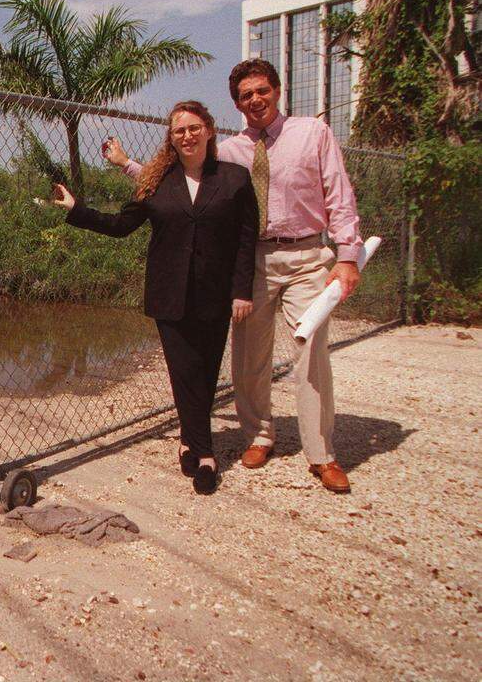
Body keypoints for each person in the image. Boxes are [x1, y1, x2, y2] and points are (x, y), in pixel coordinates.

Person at [103, 58, 362, 493]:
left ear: (277, 91)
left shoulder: (312, 133)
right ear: (236, 104)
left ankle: (322, 454)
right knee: (248, 356)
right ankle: (259, 435)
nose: (255, 100)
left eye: (262, 91)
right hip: (253, 261)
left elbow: (339, 194)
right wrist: (129, 165)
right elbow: (183, 180)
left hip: (307, 254)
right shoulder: (233, 149)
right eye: (245, 95)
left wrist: (348, 254)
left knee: (311, 349)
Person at [53, 100, 258, 494]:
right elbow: (120, 226)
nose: (187, 135)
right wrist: (78, 208)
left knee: (206, 372)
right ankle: (206, 456)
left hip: (215, 297)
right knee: (183, 373)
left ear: (210, 131)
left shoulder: (234, 178)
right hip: (170, 296)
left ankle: (187, 439)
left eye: (194, 127)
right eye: (179, 130)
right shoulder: (156, 180)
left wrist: (241, 291)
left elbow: (246, 241)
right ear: (172, 137)